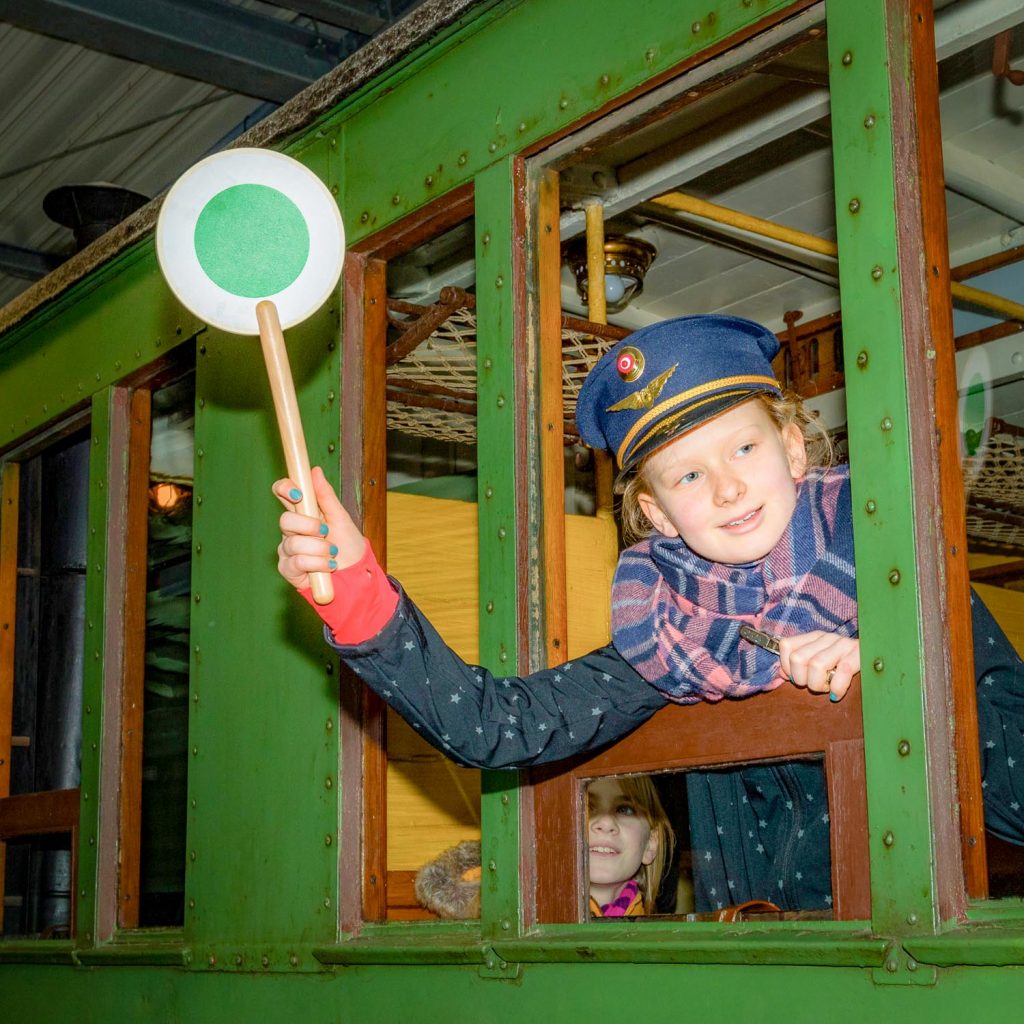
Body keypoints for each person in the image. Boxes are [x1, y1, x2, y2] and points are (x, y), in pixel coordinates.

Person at [273, 314, 1024, 913]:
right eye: (690, 474)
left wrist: (892, 668)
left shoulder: (906, 576)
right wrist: (360, 591)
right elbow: (493, 726)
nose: (728, 489)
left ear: (794, 451)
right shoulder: (665, 638)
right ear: (655, 512)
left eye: (745, 449)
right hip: (753, 985)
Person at [587, 775, 675, 918]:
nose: (606, 823)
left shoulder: (659, 936)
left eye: (625, 810)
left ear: (650, 844)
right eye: (586, 806)